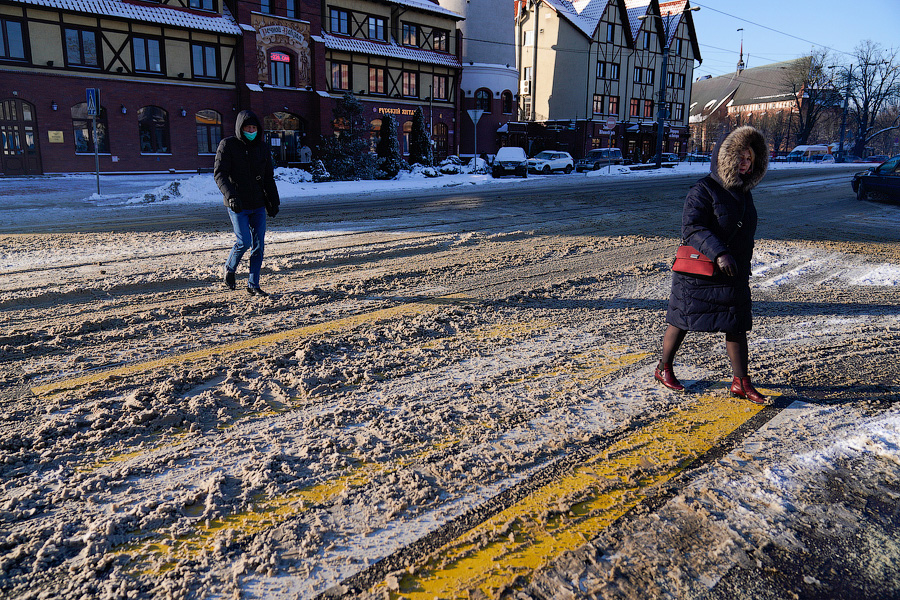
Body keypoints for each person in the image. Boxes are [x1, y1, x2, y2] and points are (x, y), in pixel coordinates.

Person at [655, 126, 770, 404]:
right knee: (681, 319)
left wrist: (741, 262)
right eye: (740, 158)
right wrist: (719, 252)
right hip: (701, 270)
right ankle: (663, 368)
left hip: (733, 272)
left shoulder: (744, 193)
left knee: (737, 324)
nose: (744, 164)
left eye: (749, 160)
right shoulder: (703, 189)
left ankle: (741, 382)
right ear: (725, 158)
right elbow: (691, 228)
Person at [214, 110, 280, 296]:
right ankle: (230, 268)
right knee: (244, 242)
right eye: (247, 127)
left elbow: (268, 177)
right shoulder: (228, 145)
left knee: (258, 245)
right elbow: (220, 174)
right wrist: (231, 196)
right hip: (238, 204)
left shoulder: (262, 147)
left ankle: (253, 284)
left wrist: (274, 201)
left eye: (254, 127)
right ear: (240, 128)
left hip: (258, 204)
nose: (251, 130)